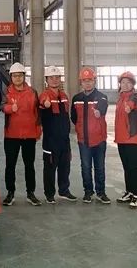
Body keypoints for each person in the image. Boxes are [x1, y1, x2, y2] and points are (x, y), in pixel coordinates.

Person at [1, 62, 42, 207]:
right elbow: (1, 106)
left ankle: (30, 193)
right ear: (11, 77)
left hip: (29, 135)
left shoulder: (32, 92)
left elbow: (37, 112)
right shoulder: (7, 92)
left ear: (24, 76)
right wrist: (9, 108)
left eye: (20, 75)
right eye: (15, 76)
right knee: (10, 165)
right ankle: (10, 193)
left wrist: (38, 130)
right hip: (11, 135)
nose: (17, 78)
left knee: (29, 165)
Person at [71, 67, 110, 204]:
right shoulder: (77, 99)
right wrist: (80, 128)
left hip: (99, 139)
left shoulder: (101, 97)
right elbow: (73, 117)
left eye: (90, 80)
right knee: (86, 167)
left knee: (100, 167)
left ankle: (101, 192)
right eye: (84, 81)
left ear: (95, 81)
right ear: (81, 82)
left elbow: (103, 108)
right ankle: (88, 192)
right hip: (83, 140)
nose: (87, 83)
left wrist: (99, 112)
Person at [39, 66, 77, 204]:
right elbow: (42, 104)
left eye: (57, 77)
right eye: (51, 78)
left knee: (65, 166)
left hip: (64, 139)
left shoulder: (64, 96)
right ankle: (49, 194)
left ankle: (64, 191)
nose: (54, 80)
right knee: (50, 168)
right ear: (47, 80)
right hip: (51, 140)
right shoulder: (45, 95)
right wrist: (46, 104)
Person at [114, 71, 137, 209]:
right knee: (127, 168)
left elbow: (136, 103)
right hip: (121, 139)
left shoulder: (136, 97)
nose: (125, 85)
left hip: (133, 139)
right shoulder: (120, 98)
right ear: (120, 84)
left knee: (134, 168)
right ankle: (129, 192)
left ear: (133, 85)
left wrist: (130, 107)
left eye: (129, 82)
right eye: (123, 82)